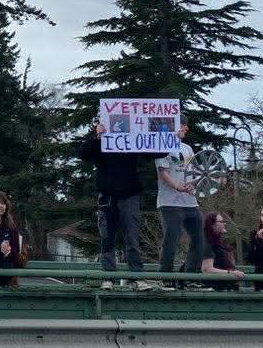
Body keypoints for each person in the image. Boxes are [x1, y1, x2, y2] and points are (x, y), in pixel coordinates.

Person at [78, 116, 146, 289]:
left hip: (130, 194)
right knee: (107, 238)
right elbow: (83, 153)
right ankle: (108, 277)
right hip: (107, 195)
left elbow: (155, 150)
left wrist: (171, 138)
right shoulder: (99, 142)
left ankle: (137, 277)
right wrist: (98, 137)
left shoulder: (132, 140)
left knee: (132, 237)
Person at [156, 124, 203, 287]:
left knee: (198, 238)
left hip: (190, 202)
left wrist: (194, 184)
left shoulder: (187, 148)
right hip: (169, 202)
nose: (186, 129)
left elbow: (194, 171)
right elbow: (163, 172)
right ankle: (166, 277)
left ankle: (192, 277)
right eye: (183, 125)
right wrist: (177, 186)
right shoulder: (162, 147)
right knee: (172, 238)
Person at [200, 212, 243, 289]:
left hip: (227, 288)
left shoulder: (219, 243)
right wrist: (230, 273)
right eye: (221, 221)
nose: (224, 224)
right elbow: (206, 269)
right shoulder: (206, 244)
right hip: (215, 290)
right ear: (212, 225)